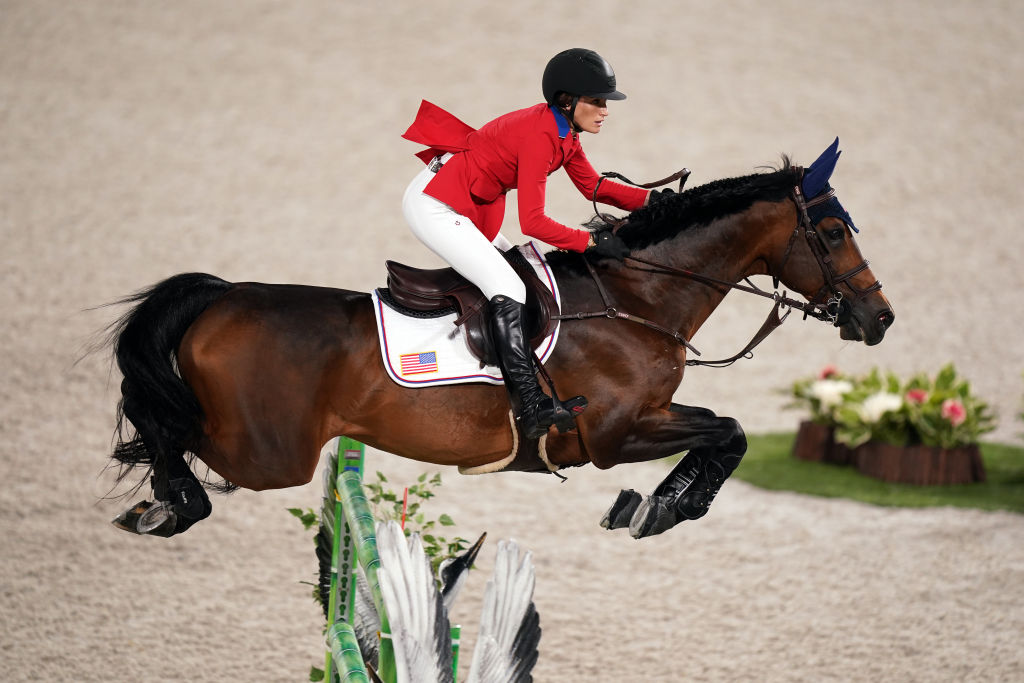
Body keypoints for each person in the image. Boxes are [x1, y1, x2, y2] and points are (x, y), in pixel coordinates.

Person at [401, 48, 662, 440]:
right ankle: (530, 403)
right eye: (596, 101)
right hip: (437, 203)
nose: (605, 110)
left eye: (604, 102)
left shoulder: (563, 132)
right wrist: (590, 242)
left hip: (466, 202)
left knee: (526, 269)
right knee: (507, 286)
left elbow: (593, 186)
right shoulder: (542, 135)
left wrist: (652, 202)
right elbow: (534, 222)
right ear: (566, 101)